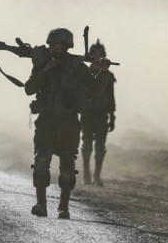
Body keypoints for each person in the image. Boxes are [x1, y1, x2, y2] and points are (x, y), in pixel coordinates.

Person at [24, 28, 109, 219]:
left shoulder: (77, 67)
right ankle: (41, 204)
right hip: (46, 122)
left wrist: (103, 72)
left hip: (68, 124)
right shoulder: (43, 63)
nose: (54, 48)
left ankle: (63, 207)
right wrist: (45, 69)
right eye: (51, 45)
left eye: (57, 45)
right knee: (41, 160)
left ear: (66, 46)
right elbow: (29, 89)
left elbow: (95, 89)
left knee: (68, 167)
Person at [79, 40, 116, 187]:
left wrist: (112, 115)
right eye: (95, 54)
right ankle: (86, 174)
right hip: (87, 114)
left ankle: (97, 176)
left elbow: (111, 95)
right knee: (87, 145)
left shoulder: (108, 75)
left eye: (100, 54)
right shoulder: (84, 72)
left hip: (102, 114)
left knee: (100, 147)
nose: (98, 56)